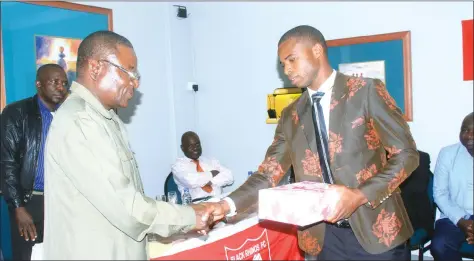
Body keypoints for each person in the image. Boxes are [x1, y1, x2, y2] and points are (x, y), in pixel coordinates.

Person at [211, 25, 419, 260]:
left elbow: (407, 154)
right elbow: (268, 174)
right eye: (283, 64)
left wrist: (359, 195)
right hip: (323, 239)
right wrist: (225, 205)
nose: (287, 70)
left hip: (378, 232)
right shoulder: (291, 115)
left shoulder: (365, 91)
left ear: (317, 51)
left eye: (292, 60)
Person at [42, 31, 216, 259]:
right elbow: (127, 208)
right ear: (96, 68)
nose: (135, 82)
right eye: (129, 72)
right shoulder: (81, 121)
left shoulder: (106, 119)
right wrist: (192, 216)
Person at [0, 64, 68, 261]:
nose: (60, 87)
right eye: (54, 82)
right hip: (29, 201)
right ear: (39, 84)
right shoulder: (16, 113)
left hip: (60, 200)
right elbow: (7, 164)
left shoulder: (69, 116)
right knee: (27, 256)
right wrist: (18, 208)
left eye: (64, 83)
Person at [431, 112, 473, 261]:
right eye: (465, 130)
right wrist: (461, 221)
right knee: (440, 245)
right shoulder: (448, 154)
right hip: (454, 216)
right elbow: (440, 194)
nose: (469, 136)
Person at [172, 131, 234, 200]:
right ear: (182, 148)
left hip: (218, 201)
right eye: (191, 146)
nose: (195, 148)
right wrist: (212, 173)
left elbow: (229, 176)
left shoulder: (210, 160)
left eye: (197, 145)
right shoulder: (178, 166)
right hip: (196, 205)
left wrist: (210, 182)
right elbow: (191, 181)